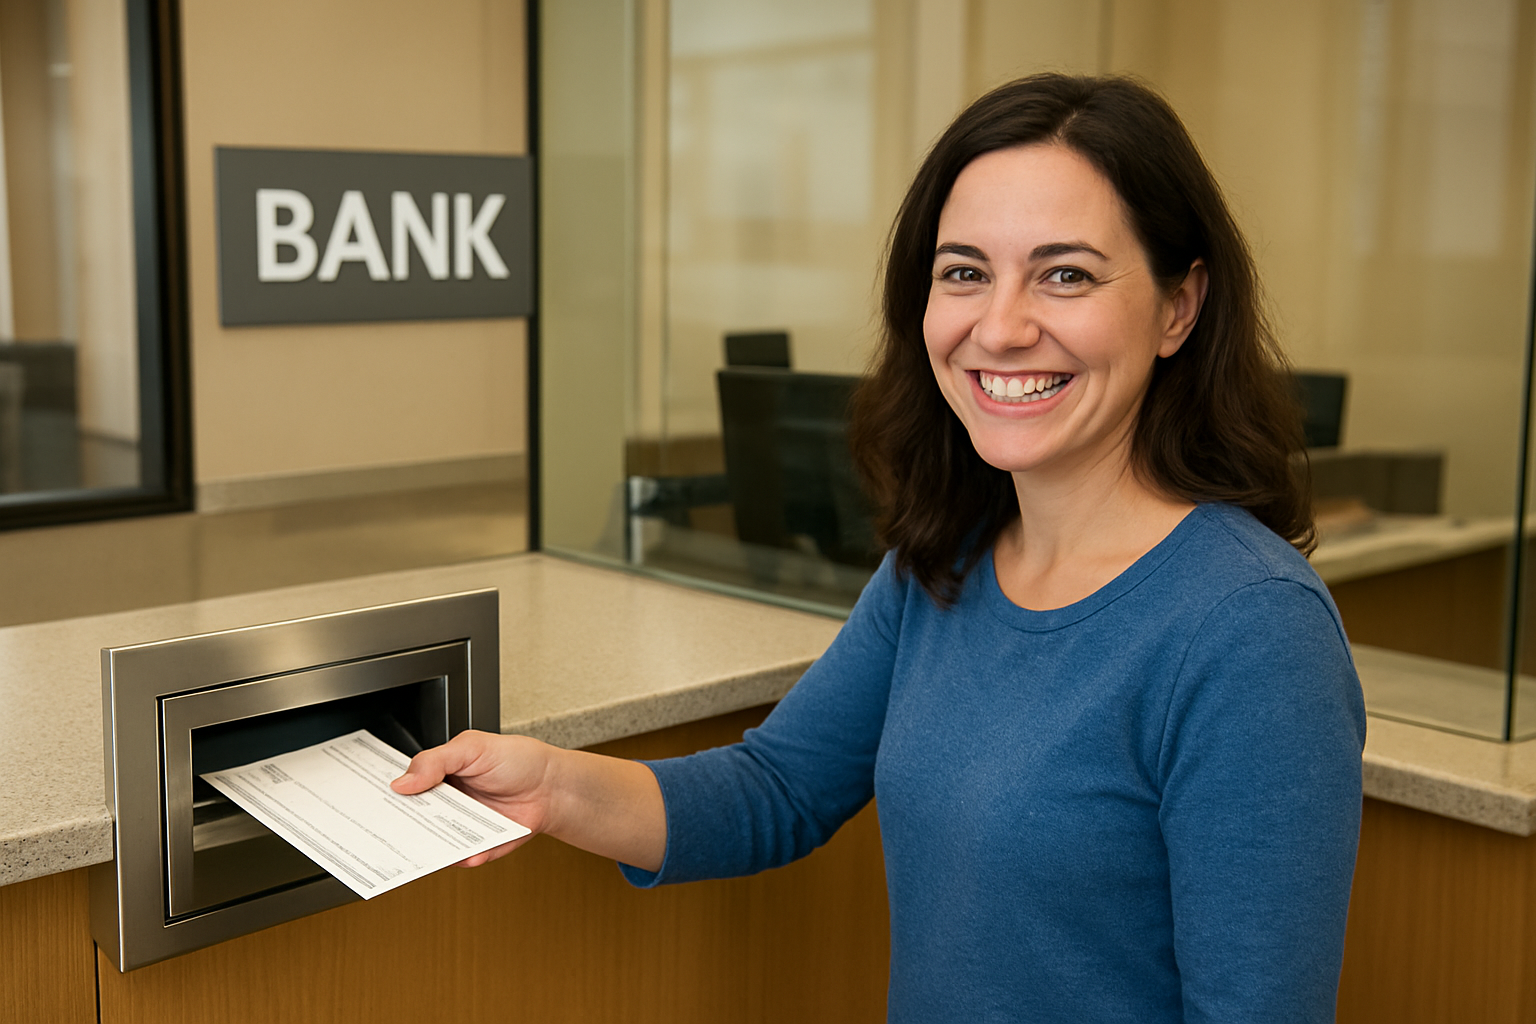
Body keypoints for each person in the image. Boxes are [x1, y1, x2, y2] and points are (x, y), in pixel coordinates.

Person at [393, 73, 1365, 1023]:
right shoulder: (943, 560)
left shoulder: (1251, 632)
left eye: (1065, 273)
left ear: (1179, 307)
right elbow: (777, 788)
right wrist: (554, 784)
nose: (1001, 325)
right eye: (965, 273)